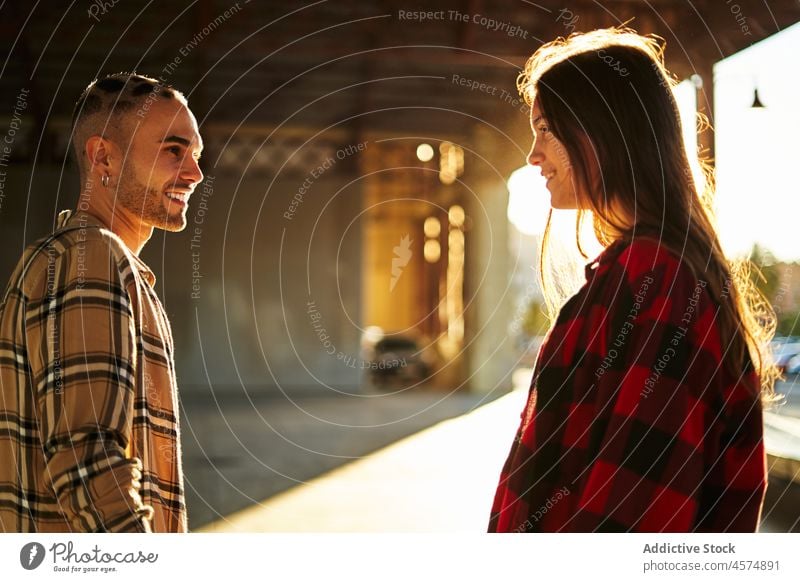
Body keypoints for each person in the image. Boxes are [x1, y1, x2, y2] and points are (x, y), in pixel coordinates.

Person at [489, 28, 779, 532]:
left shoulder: (657, 282)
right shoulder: (649, 274)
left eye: (545, 129)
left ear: (600, 132)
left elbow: (630, 517)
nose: (532, 156)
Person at [0, 73, 204, 532]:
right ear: (103, 156)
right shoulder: (91, 259)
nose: (194, 173)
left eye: (195, 154)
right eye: (174, 150)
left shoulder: (80, 260)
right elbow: (88, 463)